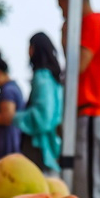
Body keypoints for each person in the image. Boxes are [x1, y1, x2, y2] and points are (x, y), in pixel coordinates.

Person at [58, 0, 100, 198]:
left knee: (92, 195)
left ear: (70, 0)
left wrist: (66, 38)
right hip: (90, 117)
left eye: (62, 6)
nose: (62, 14)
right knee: (88, 190)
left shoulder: (92, 23)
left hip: (91, 116)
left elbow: (77, 66)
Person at [13, 32, 64, 173]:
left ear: (35, 49)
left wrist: (14, 117)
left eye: (30, 46)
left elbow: (43, 116)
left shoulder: (42, 76)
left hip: (38, 145)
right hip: (48, 143)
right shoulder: (53, 77)